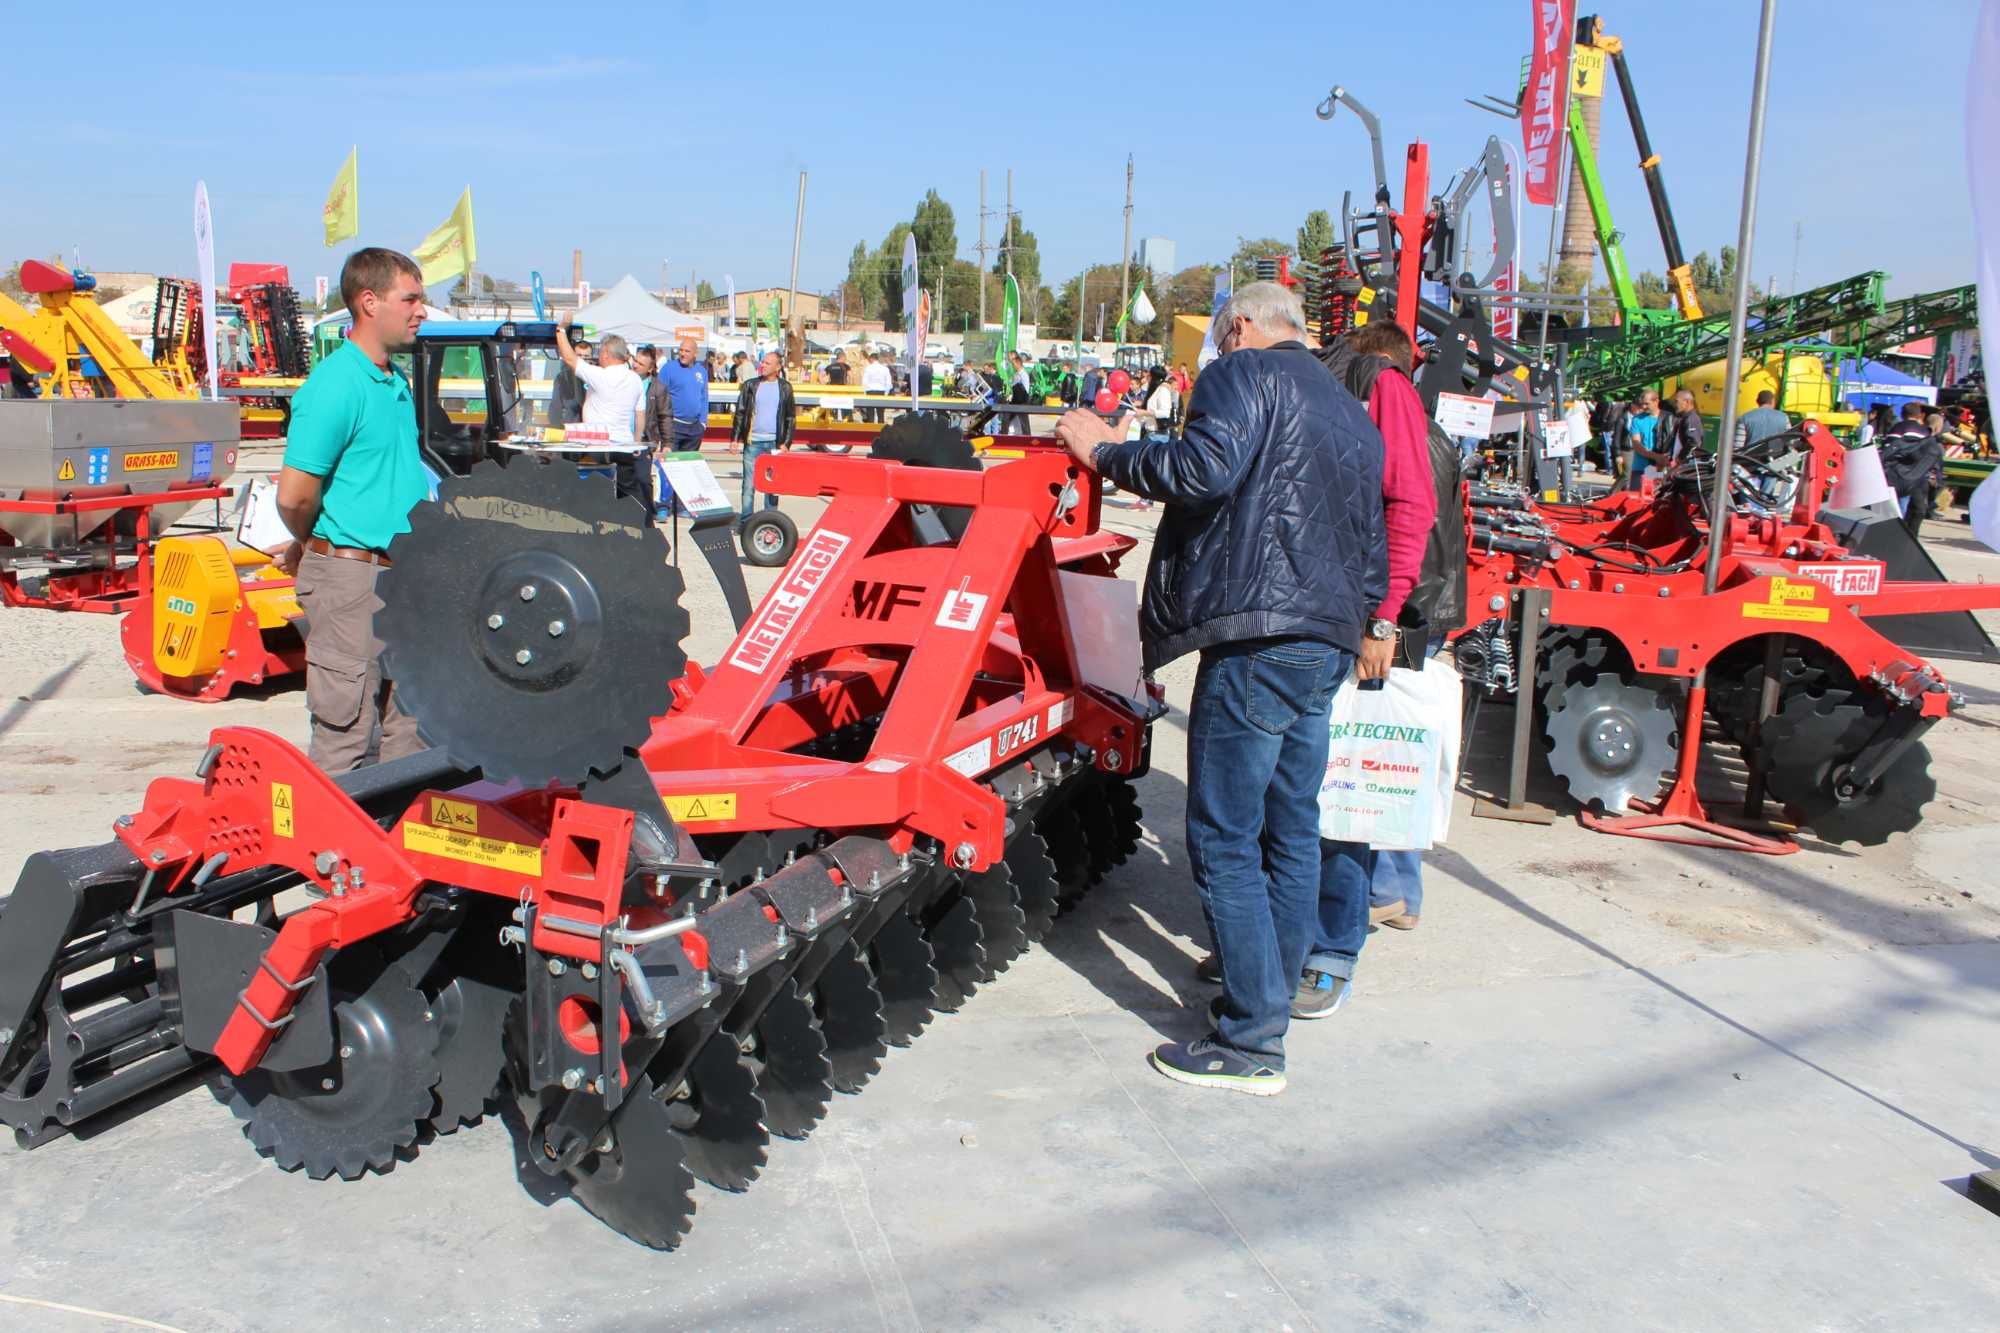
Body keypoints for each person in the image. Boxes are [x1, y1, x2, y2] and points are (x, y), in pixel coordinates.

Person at [1053, 281, 1385, 1095]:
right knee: (1292, 827)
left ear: (1239, 326)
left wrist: (1103, 450)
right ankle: (1269, 983)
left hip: (1255, 635)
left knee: (1225, 836)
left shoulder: (1243, 375)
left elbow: (1203, 467)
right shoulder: (1352, 411)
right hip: (1324, 644)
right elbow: (1372, 546)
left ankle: (1250, 1038)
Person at [1277, 319, 1456, 1016]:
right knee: (1321, 789)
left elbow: (1410, 517)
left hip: (1386, 623)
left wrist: (1386, 623)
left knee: (1346, 792)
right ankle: (1354, 913)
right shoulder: (1388, 403)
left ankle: (1330, 948)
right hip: (1368, 615)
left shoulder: (1383, 395)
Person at [275, 246, 430, 773]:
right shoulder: (336, 385)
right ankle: (330, 854)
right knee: (347, 737)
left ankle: (395, 849)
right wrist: (313, 545)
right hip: (350, 578)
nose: (422, 310)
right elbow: (294, 495)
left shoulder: (395, 384)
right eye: (410, 298)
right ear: (369, 301)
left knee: (409, 731)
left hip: (403, 577)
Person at [555, 315, 650, 513]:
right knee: (629, 497)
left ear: (606, 353)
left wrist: (561, 330)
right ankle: (642, 529)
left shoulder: (601, 375)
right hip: (624, 446)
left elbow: (570, 358)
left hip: (599, 447)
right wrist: (635, 442)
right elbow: (640, 415)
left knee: (594, 498)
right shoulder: (635, 379)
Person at [732, 350, 795, 516]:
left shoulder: (785, 388)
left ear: (777, 367)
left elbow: (790, 418)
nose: (763, 365)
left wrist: (786, 443)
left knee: (772, 486)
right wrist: (735, 439)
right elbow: (740, 412)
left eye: (768, 363)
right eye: (763, 362)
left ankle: (769, 519)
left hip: (774, 443)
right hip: (753, 443)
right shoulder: (751, 386)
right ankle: (746, 521)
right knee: (748, 485)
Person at [1879, 402, 1943, 538]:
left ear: (1902, 414)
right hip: (1917, 475)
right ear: (1920, 415)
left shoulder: (1898, 428)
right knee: (1915, 508)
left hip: (1898, 474)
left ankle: (1895, 534)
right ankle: (1907, 537)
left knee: (1899, 507)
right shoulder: (1924, 432)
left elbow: (1888, 450)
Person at [657, 341, 711, 455]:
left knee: (688, 467)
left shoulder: (701, 371)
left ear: (695, 353)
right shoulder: (668, 369)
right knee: (670, 466)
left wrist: (703, 422)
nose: (682, 354)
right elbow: (659, 396)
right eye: (681, 350)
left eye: (687, 351)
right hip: (673, 426)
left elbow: (704, 397)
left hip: (695, 427)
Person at [1626, 390, 1665, 487]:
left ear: (1656, 401)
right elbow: (1636, 444)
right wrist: (1655, 456)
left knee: (1654, 499)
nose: (1643, 407)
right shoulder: (1637, 419)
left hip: (1657, 467)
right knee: (1635, 499)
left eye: (1647, 404)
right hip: (1640, 466)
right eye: (1642, 404)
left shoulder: (1667, 419)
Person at [1663, 387, 1704, 467]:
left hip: (1687, 466)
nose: (1674, 404)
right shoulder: (1684, 418)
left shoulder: (1691, 419)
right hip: (1681, 465)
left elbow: (1693, 442)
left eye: (1676, 401)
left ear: (1687, 402)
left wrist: (1679, 459)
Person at [860, 351, 892, 422]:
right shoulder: (885, 369)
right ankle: (881, 429)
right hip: (881, 392)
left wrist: (865, 392)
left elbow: (864, 382)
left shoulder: (868, 368)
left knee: (870, 413)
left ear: (871, 359)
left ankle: (871, 429)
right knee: (880, 413)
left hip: (870, 392)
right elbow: (889, 383)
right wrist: (886, 393)